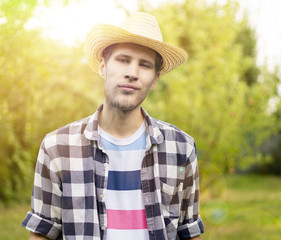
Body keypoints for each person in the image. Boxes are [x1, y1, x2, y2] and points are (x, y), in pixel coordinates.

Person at [21, 12, 204, 240]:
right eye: (123, 60)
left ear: (155, 79)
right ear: (102, 66)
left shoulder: (181, 148)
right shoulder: (57, 147)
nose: (132, 73)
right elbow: (42, 234)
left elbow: (189, 231)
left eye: (144, 65)